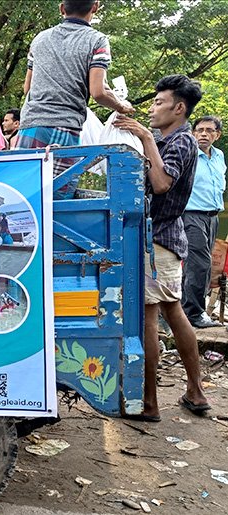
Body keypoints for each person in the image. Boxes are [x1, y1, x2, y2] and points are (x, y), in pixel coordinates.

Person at [112, 74, 209, 421]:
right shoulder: (165, 139)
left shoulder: (181, 142)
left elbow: (162, 183)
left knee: (149, 318)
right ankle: (195, 392)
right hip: (163, 240)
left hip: (159, 241)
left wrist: (142, 137)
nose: (152, 108)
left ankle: (150, 403)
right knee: (173, 311)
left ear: (179, 108)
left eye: (159, 102)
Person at [19, 0, 134, 197]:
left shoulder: (39, 39)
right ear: (95, 7)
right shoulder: (97, 40)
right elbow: (98, 92)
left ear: (62, 8)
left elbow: (27, 88)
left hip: (29, 125)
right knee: (57, 201)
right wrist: (121, 106)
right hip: (63, 126)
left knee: (27, 196)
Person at [179, 116, 226, 328]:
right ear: (193, 133)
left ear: (218, 134)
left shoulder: (219, 156)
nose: (203, 134)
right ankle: (194, 314)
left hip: (212, 216)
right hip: (191, 214)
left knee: (199, 266)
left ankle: (183, 311)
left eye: (209, 130)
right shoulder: (188, 154)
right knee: (199, 265)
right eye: (199, 130)